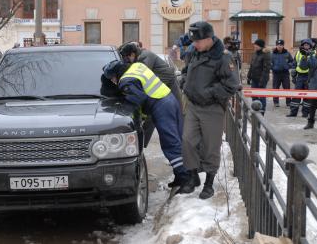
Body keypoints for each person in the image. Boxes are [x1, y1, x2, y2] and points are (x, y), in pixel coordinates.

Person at [102, 60, 192, 193]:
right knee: (176, 139)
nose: (114, 82)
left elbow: (137, 100)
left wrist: (137, 118)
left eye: (113, 78)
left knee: (170, 143)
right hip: (169, 99)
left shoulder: (126, 81)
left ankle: (185, 179)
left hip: (161, 106)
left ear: (116, 74)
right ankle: (181, 175)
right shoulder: (137, 66)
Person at [181, 21, 240, 198]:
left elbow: (232, 85)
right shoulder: (193, 51)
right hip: (193, 105)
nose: (194, 44)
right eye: (193, 41)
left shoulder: (223, 57)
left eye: (198, 41)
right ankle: (192, 177)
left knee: (211, 146)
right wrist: (185, 82)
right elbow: (186, 70)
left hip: (212, 107)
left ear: (209, 39)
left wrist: (208, 93)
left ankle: (209, 183)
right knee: (187, 141)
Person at [119, 42, 183, 149]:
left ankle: (181, 149)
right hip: (161, 87)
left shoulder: (145, 57)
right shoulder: (140, 58)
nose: (126, 60)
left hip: (169, 86)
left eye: (126, 57)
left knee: (177, 117)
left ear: (132, 54)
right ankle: (142, 144)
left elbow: (140, 76)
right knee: (152, 117)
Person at [287, 39, 314, 117]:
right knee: (296, 95)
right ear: (302, 45)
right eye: (305, 45)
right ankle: (293, 112)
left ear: (310, 46)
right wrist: (293, 75)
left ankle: (305, 113)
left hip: (308, 76)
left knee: (307, 96)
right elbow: (294, 64)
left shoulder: (313, 53)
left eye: (308, 45)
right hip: (300, 76)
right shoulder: (298, 52)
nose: (306, 46)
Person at [247, 39, 271, 115]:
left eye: (256, 45)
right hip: (254, 79)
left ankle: (262, 112)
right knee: (253, 95)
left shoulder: (266, 54)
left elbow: (266, 69)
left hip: (261, 79)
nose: (255, 46)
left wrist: (262, 81)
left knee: (261, 96)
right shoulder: (255, 53)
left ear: (260, 46)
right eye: (254, 45)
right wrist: (249, 76)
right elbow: (252, 66)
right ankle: (255, 111)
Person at [271, 39, 293, 107]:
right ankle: (276, 102)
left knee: (287, 88)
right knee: (275, 88)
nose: (279, 46)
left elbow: (292, 62)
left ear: (283, 46)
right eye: (278, 45)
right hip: (276, 73)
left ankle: (288, 102)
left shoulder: (287, 53)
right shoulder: (272, 54)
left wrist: (288, 66)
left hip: (285, 73)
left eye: (281, 45)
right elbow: (269, 63)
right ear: (276, 45)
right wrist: (273, 67)